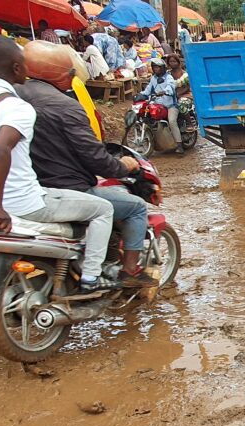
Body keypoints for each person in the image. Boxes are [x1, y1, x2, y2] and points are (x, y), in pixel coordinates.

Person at [0, 36, 118, 292]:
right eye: (24, 64)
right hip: (21, 203)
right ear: (16, 67)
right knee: (103, 209)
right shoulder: (17, 107)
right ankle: (92, 277)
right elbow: (0, 149)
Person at [18, 43, 157, 288]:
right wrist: (123, 166)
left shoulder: (12, 98)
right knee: (135, 207)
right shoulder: (65, 106)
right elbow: (95, 157)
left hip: (24, 189)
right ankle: (128, 272)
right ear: (63, 75)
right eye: (71, 73)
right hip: (64, 190)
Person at [139, 58, 184, 154]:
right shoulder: (153, 78)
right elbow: (147, 90)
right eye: (154, 67)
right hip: (158, 104)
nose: (156, 69)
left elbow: (171, 87)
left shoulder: (169, 77)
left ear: (162, 68)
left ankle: (179, 145)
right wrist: (140, 95)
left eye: (158, 67)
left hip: (170, 105)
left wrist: (165, 91)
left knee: (172, 121)